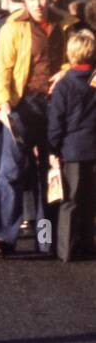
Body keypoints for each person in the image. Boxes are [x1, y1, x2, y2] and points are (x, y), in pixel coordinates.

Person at [0, 0, 79, 257]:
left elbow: (77, 57)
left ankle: (46, 239)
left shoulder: (66, 25)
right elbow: (2, 68)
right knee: (12, 171)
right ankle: (0, 237)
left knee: (49, 174)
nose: (38, 5)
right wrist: (2, 103)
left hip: (54, 106)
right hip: (22, 105)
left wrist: (66, 70)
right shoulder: (14, 27)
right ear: (23, 1)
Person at [47, 29, 96, 262]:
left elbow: (56, 121)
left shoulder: (64, 85)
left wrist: (52, 148)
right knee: (90, 199)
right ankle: (87, 244)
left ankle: (65, 249)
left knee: (70, 201)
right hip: (93, 147)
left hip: (72, 149)